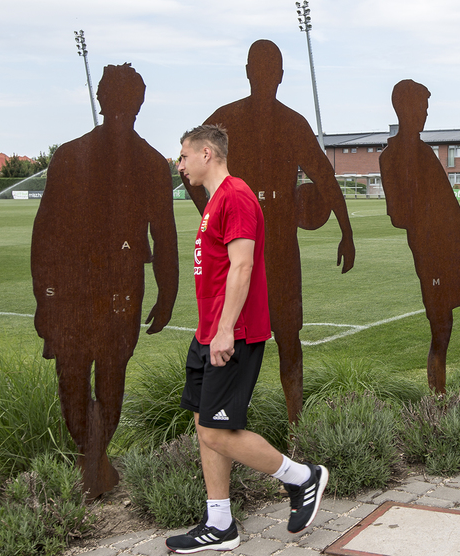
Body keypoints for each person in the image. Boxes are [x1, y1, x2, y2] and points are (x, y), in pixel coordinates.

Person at [167, 125, 327, 554]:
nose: (180, 165)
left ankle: (302, 478)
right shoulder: (215, 200)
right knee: (206, 426)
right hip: (210, 331)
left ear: (206, 153)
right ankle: (220, 523)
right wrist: (210, 331)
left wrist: (224, 331)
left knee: (218, 432)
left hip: (232, 333)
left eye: (183, 156)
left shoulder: (235, 196)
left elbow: (242, 266)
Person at [187, 40, 356, 423]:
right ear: (259, 73)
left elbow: (324, 177)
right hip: (259, 245)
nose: (265, 76)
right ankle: (273, 426)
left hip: (270, 247)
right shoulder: (238, 120)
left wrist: (346, 231)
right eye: (262, 69)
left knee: (280, 336)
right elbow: (326, 178)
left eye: (268, 70)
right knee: (263, 336)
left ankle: (251, 425)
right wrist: (345, 232)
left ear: (273, 75)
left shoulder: (265, 121)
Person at [31, 63, 178, 498]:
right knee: (83, 375)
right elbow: (45, 233)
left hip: (108, 288)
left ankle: (92, 460)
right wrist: (45, 297)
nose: (120, 108)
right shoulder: (74, 156)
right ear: (103, 100)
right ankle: (94, 460)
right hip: (81, 289)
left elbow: (164, 235)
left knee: (96, 374)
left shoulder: (146, 163)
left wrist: (168, 293)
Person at [379, 80, 460, 394]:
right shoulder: (391, 157)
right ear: (403, 108)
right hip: (432, 253)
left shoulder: (425, 151)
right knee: (441, 330)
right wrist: (429, 217)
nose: (425, 113)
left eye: (426, 107)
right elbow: (398, 216)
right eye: (421, 107)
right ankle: (438, 399)